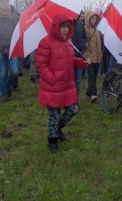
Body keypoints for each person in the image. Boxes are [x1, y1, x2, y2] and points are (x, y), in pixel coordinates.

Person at [35, 15, 89, 153]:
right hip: (52, 87)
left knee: (73, 109)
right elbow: (41, 65)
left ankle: (58, 129)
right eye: (62, 26)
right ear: (56, 27)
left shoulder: (68, 42)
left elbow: (71, 60)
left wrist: (82, 63)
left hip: (67, 86)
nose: (65, 30)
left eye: (67, 27)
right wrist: (52, 79)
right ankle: (52, 141)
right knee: (54, 116)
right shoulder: (45, 42)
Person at [0, 2, 18, 102]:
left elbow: (17, 34)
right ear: (0, 11)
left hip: (11, 49)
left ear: (10, 11)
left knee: (14, 71)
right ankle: (4, 94)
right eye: (4, 11)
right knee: (3, 72)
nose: (6, 12)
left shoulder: (14, 21)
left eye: (7, 11)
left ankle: (7, 85)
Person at [83, 10, 103, 103]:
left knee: (94, 76)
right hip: (89, 56)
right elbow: (82, 40)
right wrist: (84, 44)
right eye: (92, 18)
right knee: (91, 76)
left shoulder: (98, 29)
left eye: (96, 18)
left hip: (98, 56)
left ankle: (88, 91)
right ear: (88, 19)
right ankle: (93, 94)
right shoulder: (85, 29)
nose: (94, 20)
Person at [72, 11, 87, 94]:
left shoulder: (81, 24)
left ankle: (76, 98)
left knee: (78, 79)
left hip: (79, 54)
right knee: (71, 79)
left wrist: (84, 44)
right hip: (70, 55)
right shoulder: (68, 24)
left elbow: (84, 37)